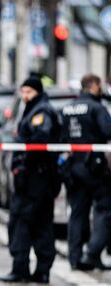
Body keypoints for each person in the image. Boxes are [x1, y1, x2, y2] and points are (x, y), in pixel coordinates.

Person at [0, 77, 61, 284]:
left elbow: (39, 141)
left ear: (38, 92)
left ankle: (23, 269)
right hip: (37, 178)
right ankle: (39, 271)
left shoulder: (40, 112)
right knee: (39, 223)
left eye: (29, 92)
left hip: (36, 179)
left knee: (23, 223)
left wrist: (23, 166)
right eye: (23, 92)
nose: (25, 96)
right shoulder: (33, 110)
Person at [60, 74, 111, 271]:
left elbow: (60, 135)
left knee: (77, 213)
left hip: (72, 167)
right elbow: (108, 131)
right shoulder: (97, 108)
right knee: (104, 209)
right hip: (94, 168)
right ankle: (92, 253)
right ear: (94, 86)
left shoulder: (67, 108)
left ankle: (75, 257)